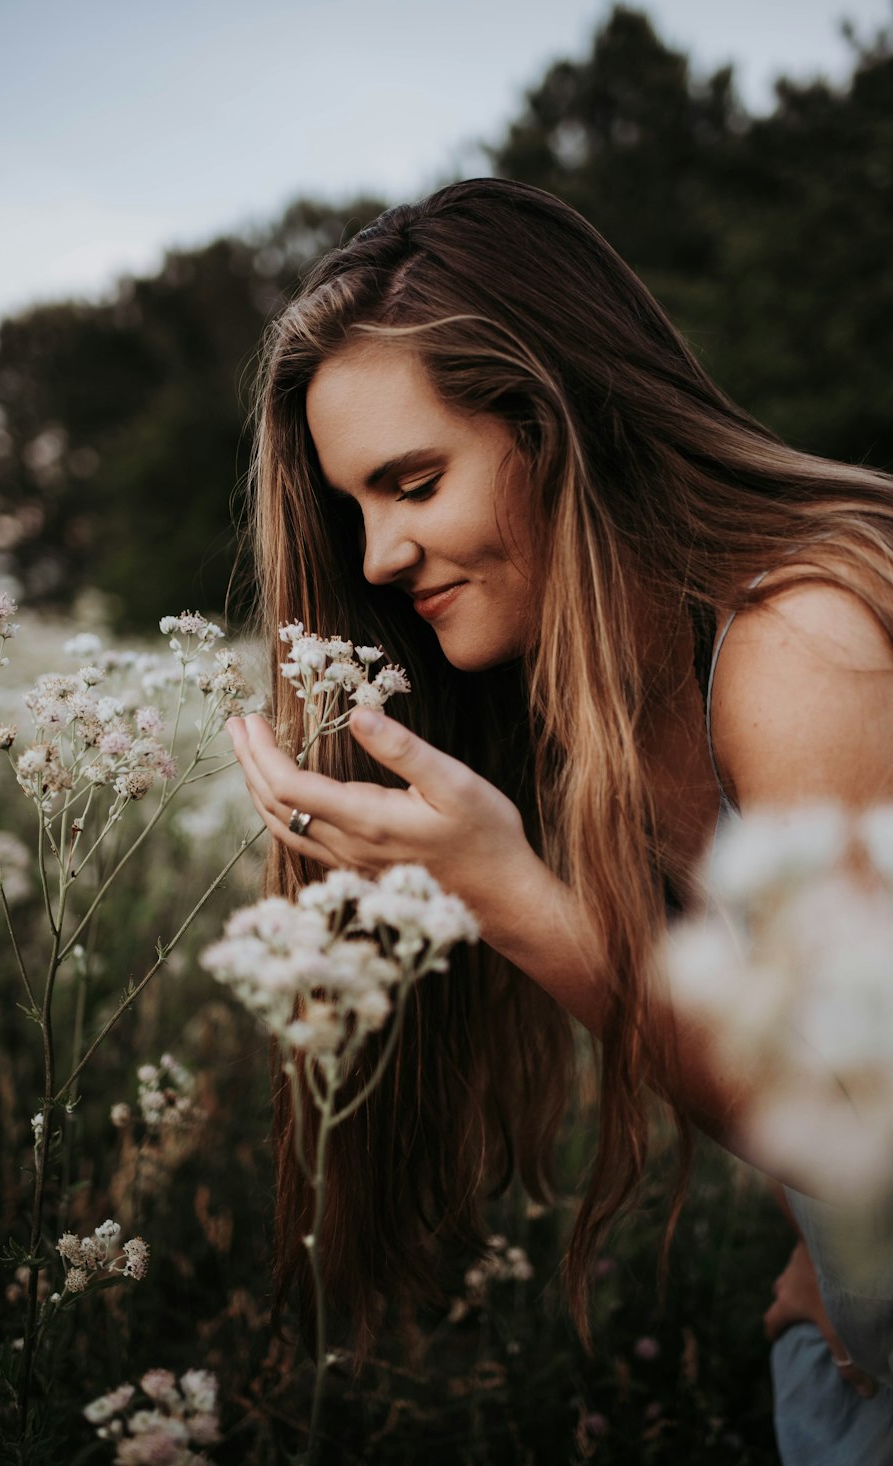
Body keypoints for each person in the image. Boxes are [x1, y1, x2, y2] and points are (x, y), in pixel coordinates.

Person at [226, 178, 893, 1460]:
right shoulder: (584, 709)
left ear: (556, 426)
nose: (373, 558)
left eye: (411, 482)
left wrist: (516, 897)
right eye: (353, 505)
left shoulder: (804, 643)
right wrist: (831, 1276)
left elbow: (869, 1137)